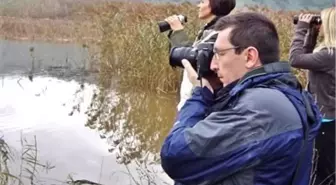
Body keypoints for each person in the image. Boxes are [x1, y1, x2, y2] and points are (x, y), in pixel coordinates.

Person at [160, 12, 322, 185]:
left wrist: (199, 95)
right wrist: (217, 94)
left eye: (219, 54)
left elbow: (175, 156)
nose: (213, 65)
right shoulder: (280, 92)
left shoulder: (260, 109)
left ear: (250, 57)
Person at [289, 7, 336, 185]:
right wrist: (312, 35)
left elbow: (295, 59)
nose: (319, 24)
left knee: (321, 169)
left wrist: (301, 28)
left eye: (322, 21)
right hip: (330, 117)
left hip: (325, 120)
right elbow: (307, 60)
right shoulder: (329, 55)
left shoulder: (329, 56)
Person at [165, 0, 236, 111]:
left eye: (202, 2)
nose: (199, 5)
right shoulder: (212, 29)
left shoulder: (219, 32)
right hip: (196, 100)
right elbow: (195, 53)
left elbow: (196, 59)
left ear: (215, 4)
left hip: (201, 103)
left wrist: (179, 32)